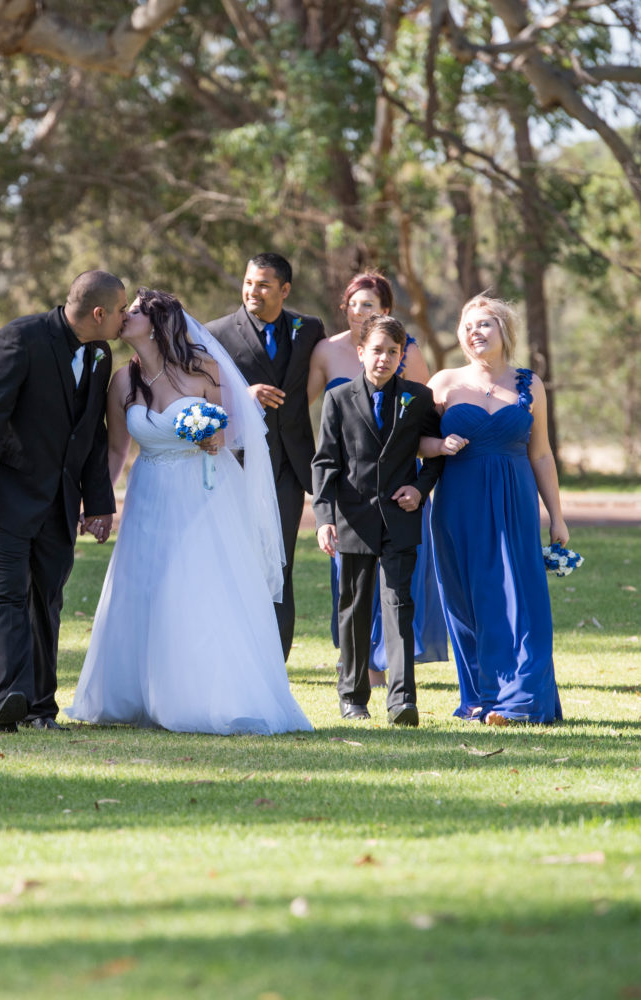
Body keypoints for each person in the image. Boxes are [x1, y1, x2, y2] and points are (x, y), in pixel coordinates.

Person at [66, 289, 312, 735]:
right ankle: (137, 693)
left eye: (134, 312)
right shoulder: (122, 381)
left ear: (159, 323)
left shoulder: (205, 369)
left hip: (204, 494)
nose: (124, 317)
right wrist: (98, 502)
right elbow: (119, 449)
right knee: (145, 586)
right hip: (149, 493)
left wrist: (215, 437)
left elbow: (232, 428)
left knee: (197, 587)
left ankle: (204, 697)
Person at [0, 270, 123, 732]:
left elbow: (92, 434)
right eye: (120, 311)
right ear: (98, 313)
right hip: (5, 497)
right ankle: (9, 696)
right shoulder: (20, 337)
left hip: (59, 504)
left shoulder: (101, 354)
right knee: (7, 593)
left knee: (47, 600)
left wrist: (98, 503)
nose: (123, 319)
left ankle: (40, 707)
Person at [423, 294, 566, 725]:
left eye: (485, 324)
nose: (475, 332)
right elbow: (417, 445)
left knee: (522, 599)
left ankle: (521, 701)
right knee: (470, 600)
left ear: (505, 332)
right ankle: (484, 697)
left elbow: (541, 454)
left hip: (515, 503)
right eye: (468, 326)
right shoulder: (443, 383)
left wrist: (556, 516)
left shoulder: (529, 384)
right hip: (458, 505)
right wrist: (438, 446)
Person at [308, 271, 449, 689]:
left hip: (400, 517)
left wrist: (420, 488)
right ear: (361, 351)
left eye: (392, 351)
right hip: (351, 518)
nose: (384, 358)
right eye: (377, 351)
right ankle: (353, 693)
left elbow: (433, 448)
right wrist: (323, 517)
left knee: (398, 604)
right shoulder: (337, 398)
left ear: (403, 353)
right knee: (352, 605)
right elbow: (325, 461)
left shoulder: (417, 398)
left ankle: (402, 697)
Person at [207, 252, 325, 660]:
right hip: (235, 467)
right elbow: (199, 397)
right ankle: (235, 657)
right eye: (249, 282)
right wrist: (244, 398)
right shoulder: (216, 333)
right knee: (237, 563)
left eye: (263, 285)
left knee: (281, 565)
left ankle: (275, 663)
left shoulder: (309, 329)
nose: (253, 291)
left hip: (290, 469)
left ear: (284, 290)